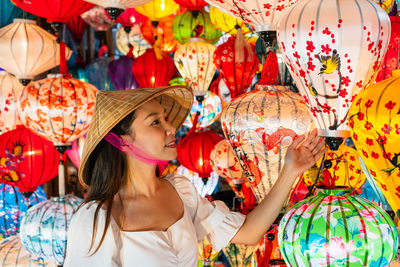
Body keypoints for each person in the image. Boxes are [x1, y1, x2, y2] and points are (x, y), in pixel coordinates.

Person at [64, 86, 326, 266]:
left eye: (166, 119)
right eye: (155, 122)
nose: (171, 129)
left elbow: (248, 233)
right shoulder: (97, 219)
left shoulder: (181, 191)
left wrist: (291, 169)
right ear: (121, 141)